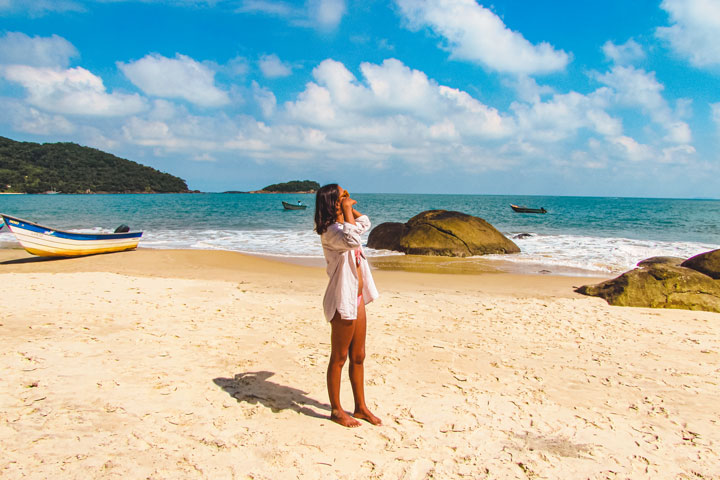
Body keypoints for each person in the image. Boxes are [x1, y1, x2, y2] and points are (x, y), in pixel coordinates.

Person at [314, 184, 381, 428]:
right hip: (343, 300)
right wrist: (344, 210)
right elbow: (352, 239)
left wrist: (349, 210)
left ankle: (360, 407)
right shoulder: (331, 232)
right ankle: (335, 409)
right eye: (343, 195)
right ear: (333, 203)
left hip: (359, 298)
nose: (349, 197)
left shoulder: (344, 225)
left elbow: (365, 223)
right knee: (340, 357)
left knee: (359, 355)